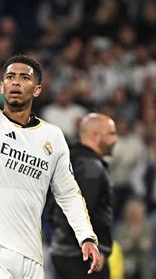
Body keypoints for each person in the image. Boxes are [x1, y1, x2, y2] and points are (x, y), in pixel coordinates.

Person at [0, 0, 100, 278]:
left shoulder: (52, 136)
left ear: (37, 89)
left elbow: (69, 193)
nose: (16, 82)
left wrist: (86, 236)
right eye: (10, 77)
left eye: (24, 78)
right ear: (2, 86)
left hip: (32, 256)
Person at [49, 113, 117, 279]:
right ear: (95, 135)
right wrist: (94, 249)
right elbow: (77, 212)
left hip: (68, 252)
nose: (115, 139)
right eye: (111, 133)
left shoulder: (71, 160)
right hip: (82, 257)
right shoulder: (90, 168)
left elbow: (52, 209)